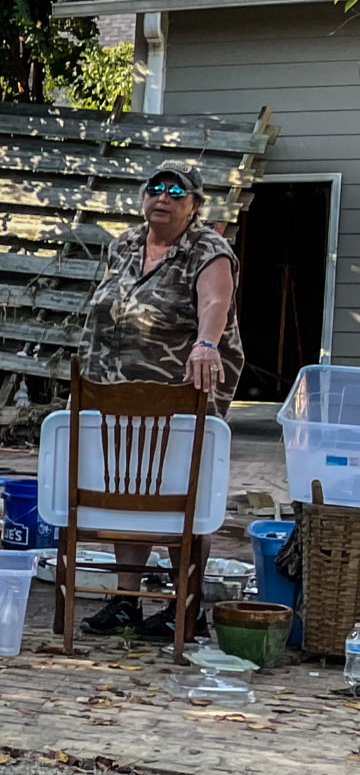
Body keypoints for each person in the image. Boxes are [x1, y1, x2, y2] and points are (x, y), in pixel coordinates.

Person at [76, 163, 243, 641]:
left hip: (181, 391)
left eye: (176, 191)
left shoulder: (209, 249)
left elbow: (215, 303)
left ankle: (183, 609)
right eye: (156, 189)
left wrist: (206, 344)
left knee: (182, 495)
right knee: (128, 489)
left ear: (194, 205)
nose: (163, 197)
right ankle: (125, 601)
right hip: (114, 388)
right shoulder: (124, 244)